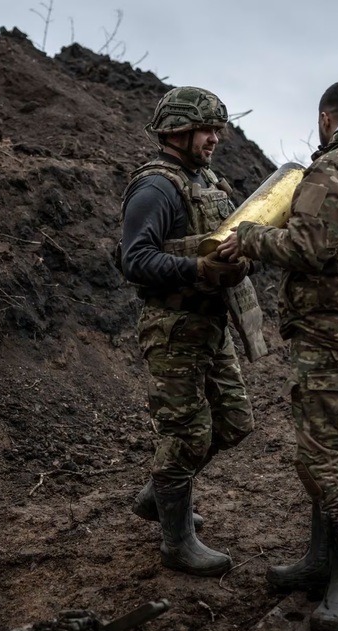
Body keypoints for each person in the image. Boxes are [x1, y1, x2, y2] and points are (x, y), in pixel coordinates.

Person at [217, 81, 338, 631]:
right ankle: (321, 560)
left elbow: (306, 248)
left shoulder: (333, 169)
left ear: (328, 120)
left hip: (332, 335)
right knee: (330, 448)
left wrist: (250, 235)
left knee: (326, 457)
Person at [119, 86, 254, 577]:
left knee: (234, 421)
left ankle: (158, 496)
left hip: (210, 324)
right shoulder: (155, 188)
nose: (215, 138)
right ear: (177, 131)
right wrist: (198, 268)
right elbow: (135, 260)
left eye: (217, 129)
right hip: (173, 330)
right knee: (187, 434)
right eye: (206, 129)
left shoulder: (206, 180)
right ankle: (176, 543)